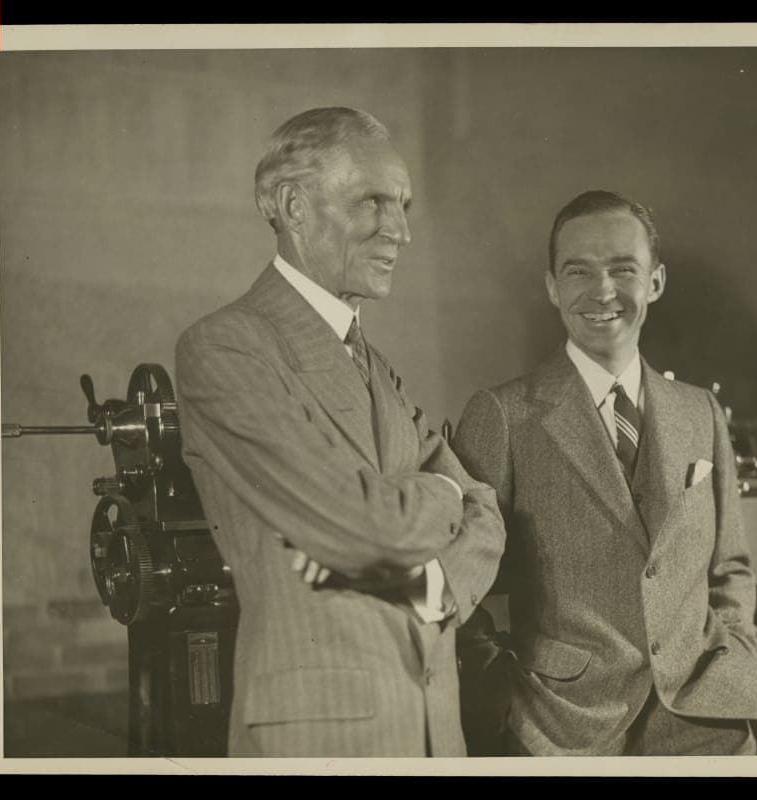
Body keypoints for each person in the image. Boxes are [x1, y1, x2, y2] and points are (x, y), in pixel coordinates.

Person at [175, 107, 505, 757]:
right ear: (293, 207)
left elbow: (485, 510)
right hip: (321, 736)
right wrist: (442, 492)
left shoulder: (372, 363)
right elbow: (361, 526)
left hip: (436, 732)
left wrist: (436, 588)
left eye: (403, 205)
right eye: (372, 201)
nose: (400, 231)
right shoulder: (224, 348)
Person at [451, 190, 757, 756]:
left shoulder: (699, 411)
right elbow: (462, 579)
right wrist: (500, 688)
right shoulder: (503, 415)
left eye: (623, 269)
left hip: (709, 721)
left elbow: (730, 564)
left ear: (655, 282)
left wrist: (734, 648)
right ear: (552, 287)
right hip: (560, 730)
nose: (602, 291)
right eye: (578, 271)